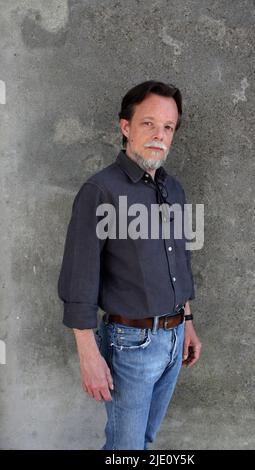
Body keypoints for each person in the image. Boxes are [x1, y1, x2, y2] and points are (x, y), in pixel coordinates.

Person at [57, 80, 202, 450]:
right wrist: (88, 356)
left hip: (173, 340)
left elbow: (179, 261)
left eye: (168, 127)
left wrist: (186, 323)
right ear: (126, 127)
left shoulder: (175, 191)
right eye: (148, 124)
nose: (159, 135)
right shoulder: (101, 191)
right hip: (131, 344)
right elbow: (80, 278)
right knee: (126, 448)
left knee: (145, 441)